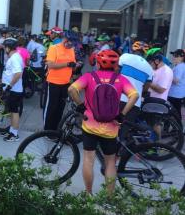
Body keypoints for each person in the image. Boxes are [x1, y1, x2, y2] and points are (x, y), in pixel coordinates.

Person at [68, 49, 138, 195]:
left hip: (90, 126)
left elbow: (71, 89)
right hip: (111, 128)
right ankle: (109, 197)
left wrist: (81, 106)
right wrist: (122, 114)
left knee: (88, 160)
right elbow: (134, 95)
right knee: (110, 162)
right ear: (115, 65)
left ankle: (88, 193)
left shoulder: (89, 77)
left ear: (98, 64)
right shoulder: (121, 79)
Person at [43, 32, 77, 131]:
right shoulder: (54, 48)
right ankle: (47, 131)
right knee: (51, 107)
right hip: (53, 82)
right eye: (70, 42)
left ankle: (56, 129)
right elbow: (50, 65)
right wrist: (67, 64)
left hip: (65, 83)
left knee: (60, 108)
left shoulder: (71, 49)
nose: (71, 45)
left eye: (73, 43)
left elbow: (72, 63)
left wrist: (75, 65)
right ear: (65, 39)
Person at [118, 41, 153, 127]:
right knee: (125, 128)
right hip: (135, 103)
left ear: (133, 49)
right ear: (145, 53)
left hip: (118, 97)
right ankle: (122, 139)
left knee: (111, 127)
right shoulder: (149, 68)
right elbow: (146, 88)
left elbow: (115, 73)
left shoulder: (125, 57)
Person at [1, 38, 24, 142]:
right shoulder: (16, 56)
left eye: (5, 47)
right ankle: (11, 130)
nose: (4, 49)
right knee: (11, 111)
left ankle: (14, 134)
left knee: (14, 112)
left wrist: (9, 86)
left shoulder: (14, 58)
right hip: (14, 89)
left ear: (8, 48)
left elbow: (18, 73)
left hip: (14, 90)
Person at [168, 49, 185, 119]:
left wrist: (167, 75)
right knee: (173, 112)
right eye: (174, 55)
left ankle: (179, 128)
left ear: (181, 57)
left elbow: (176, 80)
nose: (174, 57)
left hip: (175, 94)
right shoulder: (179, 66)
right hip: (176, 94)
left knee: (176, 113)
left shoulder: (180, 67)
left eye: (176, 56)